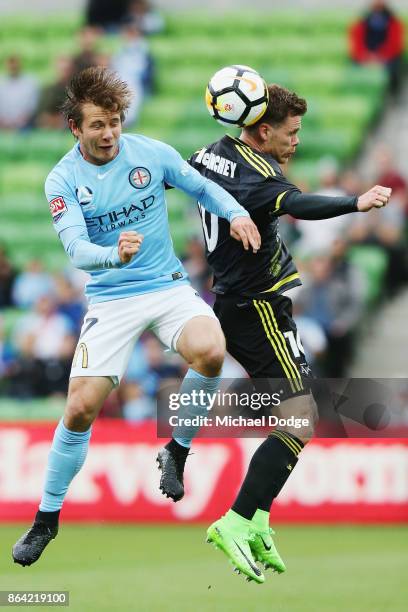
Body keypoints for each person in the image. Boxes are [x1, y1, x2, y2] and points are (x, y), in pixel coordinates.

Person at [11, 66, 260, 567]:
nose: (109, 133)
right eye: (98, 125)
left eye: (116, 122)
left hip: (165, 286)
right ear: (75, 129)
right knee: (81, 408)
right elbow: (77, 248)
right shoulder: (61, 179)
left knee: (211, 349)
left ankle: (178, 450)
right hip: (110, 297)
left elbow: (202, 188)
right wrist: (112, 258)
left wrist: (236, 213)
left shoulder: (151, 153)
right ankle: (46, 520)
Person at [158, 83, 392, 584]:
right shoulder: (260, 177)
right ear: (262, 130)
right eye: (291, 132)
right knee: (301, 416)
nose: (297, 141)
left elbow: (173, 177)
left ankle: (257, 516)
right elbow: (298, 204)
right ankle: (238, 520)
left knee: (294, 412)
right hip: (257, 306)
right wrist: (357, 202)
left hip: (239, 300)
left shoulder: (211, 154)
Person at [349, 0, 405, 95]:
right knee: (353, 66)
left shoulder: (393, 21)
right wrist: (366, 56)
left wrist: (381, 56)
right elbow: (356, 42)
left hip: (386, 57)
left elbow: (395, 44)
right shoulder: (362, 21)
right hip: (366, 56)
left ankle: (392, 95)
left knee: (394, 67)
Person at [0, 55, 39, 130]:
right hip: (3, 124)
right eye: (11, 63)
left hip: (25, 124)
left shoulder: (31, 82)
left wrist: (22, 119)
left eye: (15, 63)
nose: (13, 66)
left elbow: (32, 105)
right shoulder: (1, 82)